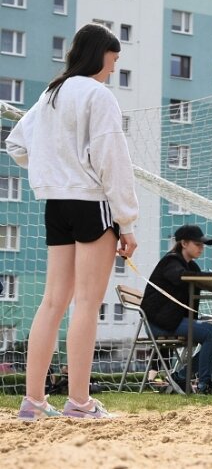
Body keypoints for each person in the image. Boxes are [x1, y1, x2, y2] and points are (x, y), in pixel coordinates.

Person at [8, 23, 139, 420]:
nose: (114, 68)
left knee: (53, 301)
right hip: (91, 202)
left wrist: (54, 167)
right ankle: (80, 402)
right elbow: (111, 158)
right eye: (114, 59)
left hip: (56, 205)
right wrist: (127, 223)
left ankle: (33, 401)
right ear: (100, 54)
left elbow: (16, 143)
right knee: (86, 303)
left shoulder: (51, 93)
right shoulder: (98, 95)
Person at [141, 225, 212, 394]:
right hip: (159, 323)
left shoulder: (193, 268)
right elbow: (181, 277)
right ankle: (205, 385)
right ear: (184, 243)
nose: (201, 248)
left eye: (203, 245)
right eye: (198, 244)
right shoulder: (170, 261)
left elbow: (194, 281)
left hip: (174, 321)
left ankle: (180, 377)